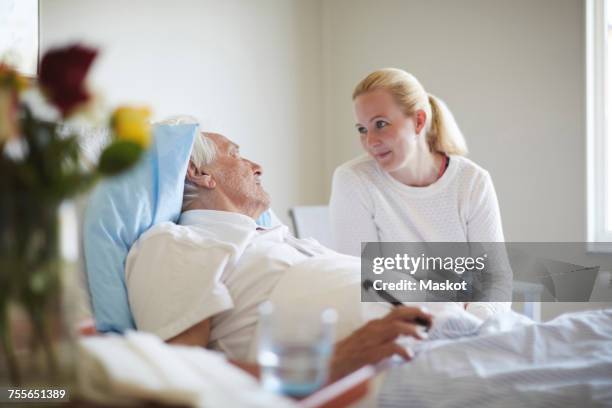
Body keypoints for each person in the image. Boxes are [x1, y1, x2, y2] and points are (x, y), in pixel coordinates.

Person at [125, 129, 433, 382]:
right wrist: (329, 364)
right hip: (384, 363)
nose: (257, 166)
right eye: (235, 154)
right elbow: (180, 374)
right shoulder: (178, 241)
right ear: (198, 172)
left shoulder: (282, 239)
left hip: (431, 325)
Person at [329, 68, 510, 320]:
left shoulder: (472, 181)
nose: (370, 141)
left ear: (418, 121)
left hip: (468, 324)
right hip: (395, 326)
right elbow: (361, 281)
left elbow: (496, 279)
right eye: (361, 129)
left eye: (380, 124)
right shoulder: (354, 179)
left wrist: (474, 320)